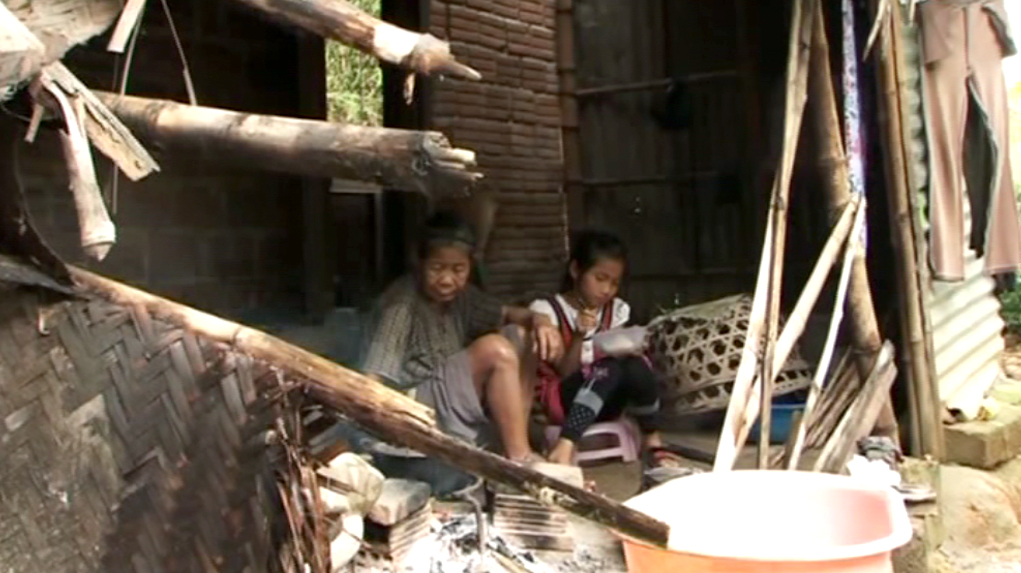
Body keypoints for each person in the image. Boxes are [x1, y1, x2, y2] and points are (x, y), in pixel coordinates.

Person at [361, 211, 563, 466]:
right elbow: (371, 382)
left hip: (450, 398)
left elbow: (509, 313)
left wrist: (542, 321)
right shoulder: (401, 306)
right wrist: (374, 436)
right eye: (436, 268)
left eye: (458, 269)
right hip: (415, 407)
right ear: (419, 263)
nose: (447, 280)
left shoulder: (464, 296)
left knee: (522, 336)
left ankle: (513, 441)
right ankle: (519, 457)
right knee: (496, 350)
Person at [529, 230, 684, 471]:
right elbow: (565, 372)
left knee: (634, 363)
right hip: (564, 400)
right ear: (576, 270)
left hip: (607, 400)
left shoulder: (617, 310)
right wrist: (579, 335)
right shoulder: (548, 310)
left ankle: (652, 441)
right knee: (608, 366)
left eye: (614, 283)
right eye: (600, 278)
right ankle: (566, 443)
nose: (607, 290)